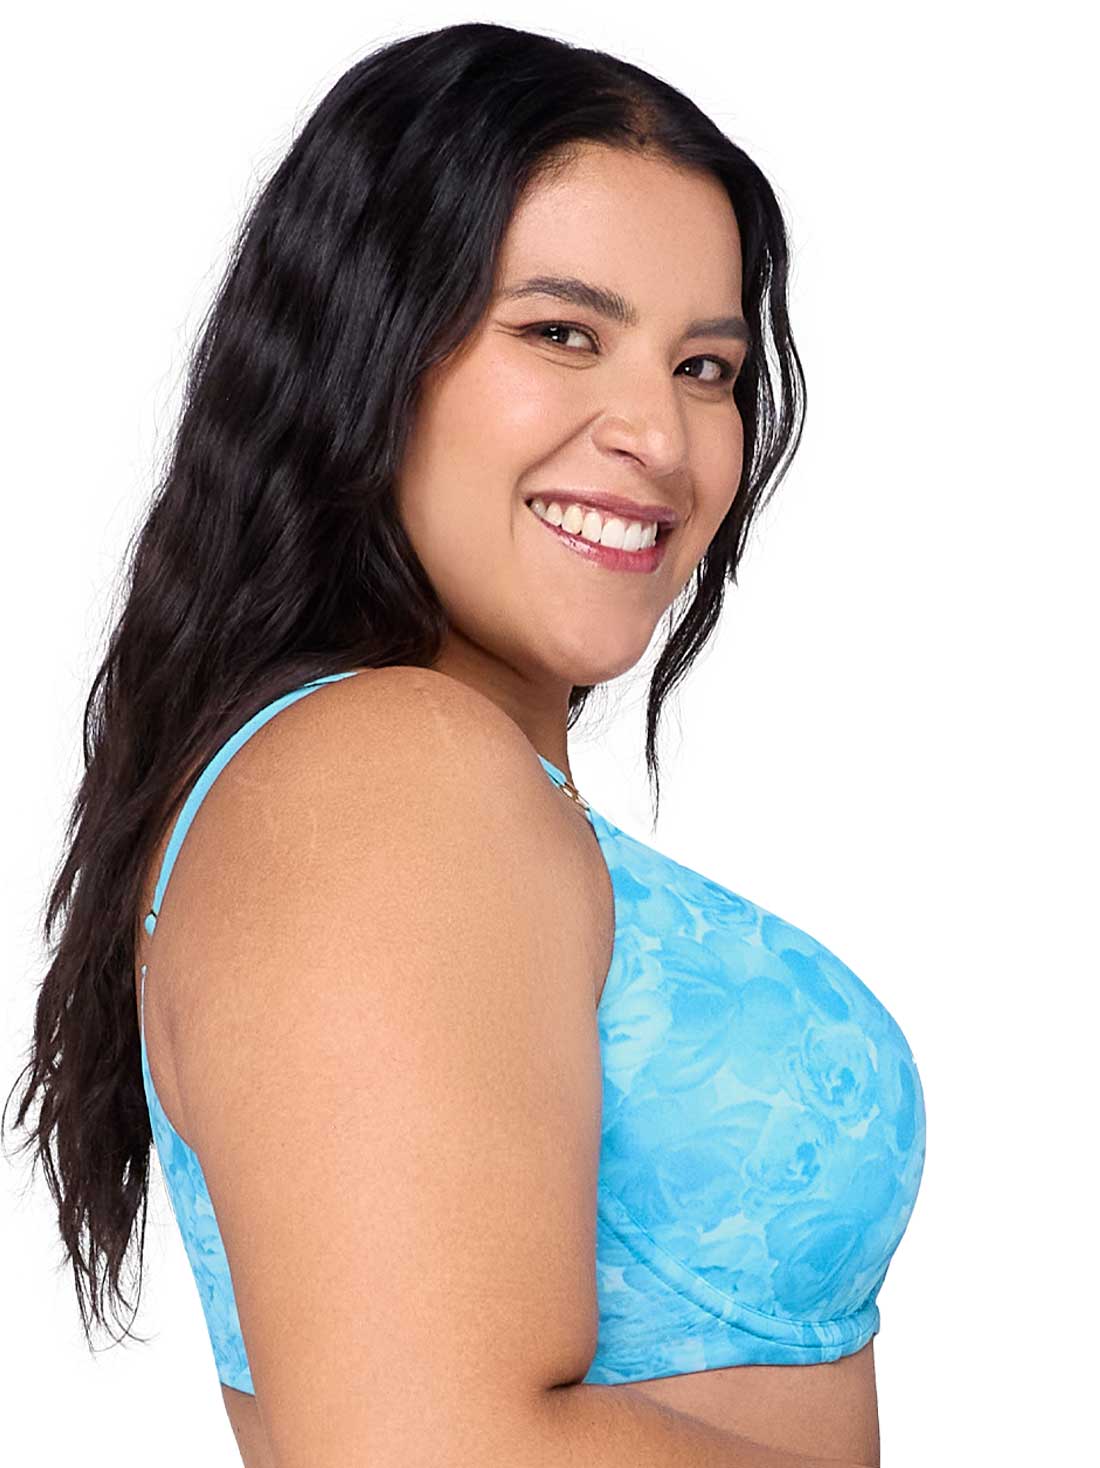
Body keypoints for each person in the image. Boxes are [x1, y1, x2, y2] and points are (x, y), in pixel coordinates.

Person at [4, 22, 924, 1467]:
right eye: (561, 333)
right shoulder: (383, 771)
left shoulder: (398, 780)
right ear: (365, 353)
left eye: (705, 366)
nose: (662, 437)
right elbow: (427, 1448)